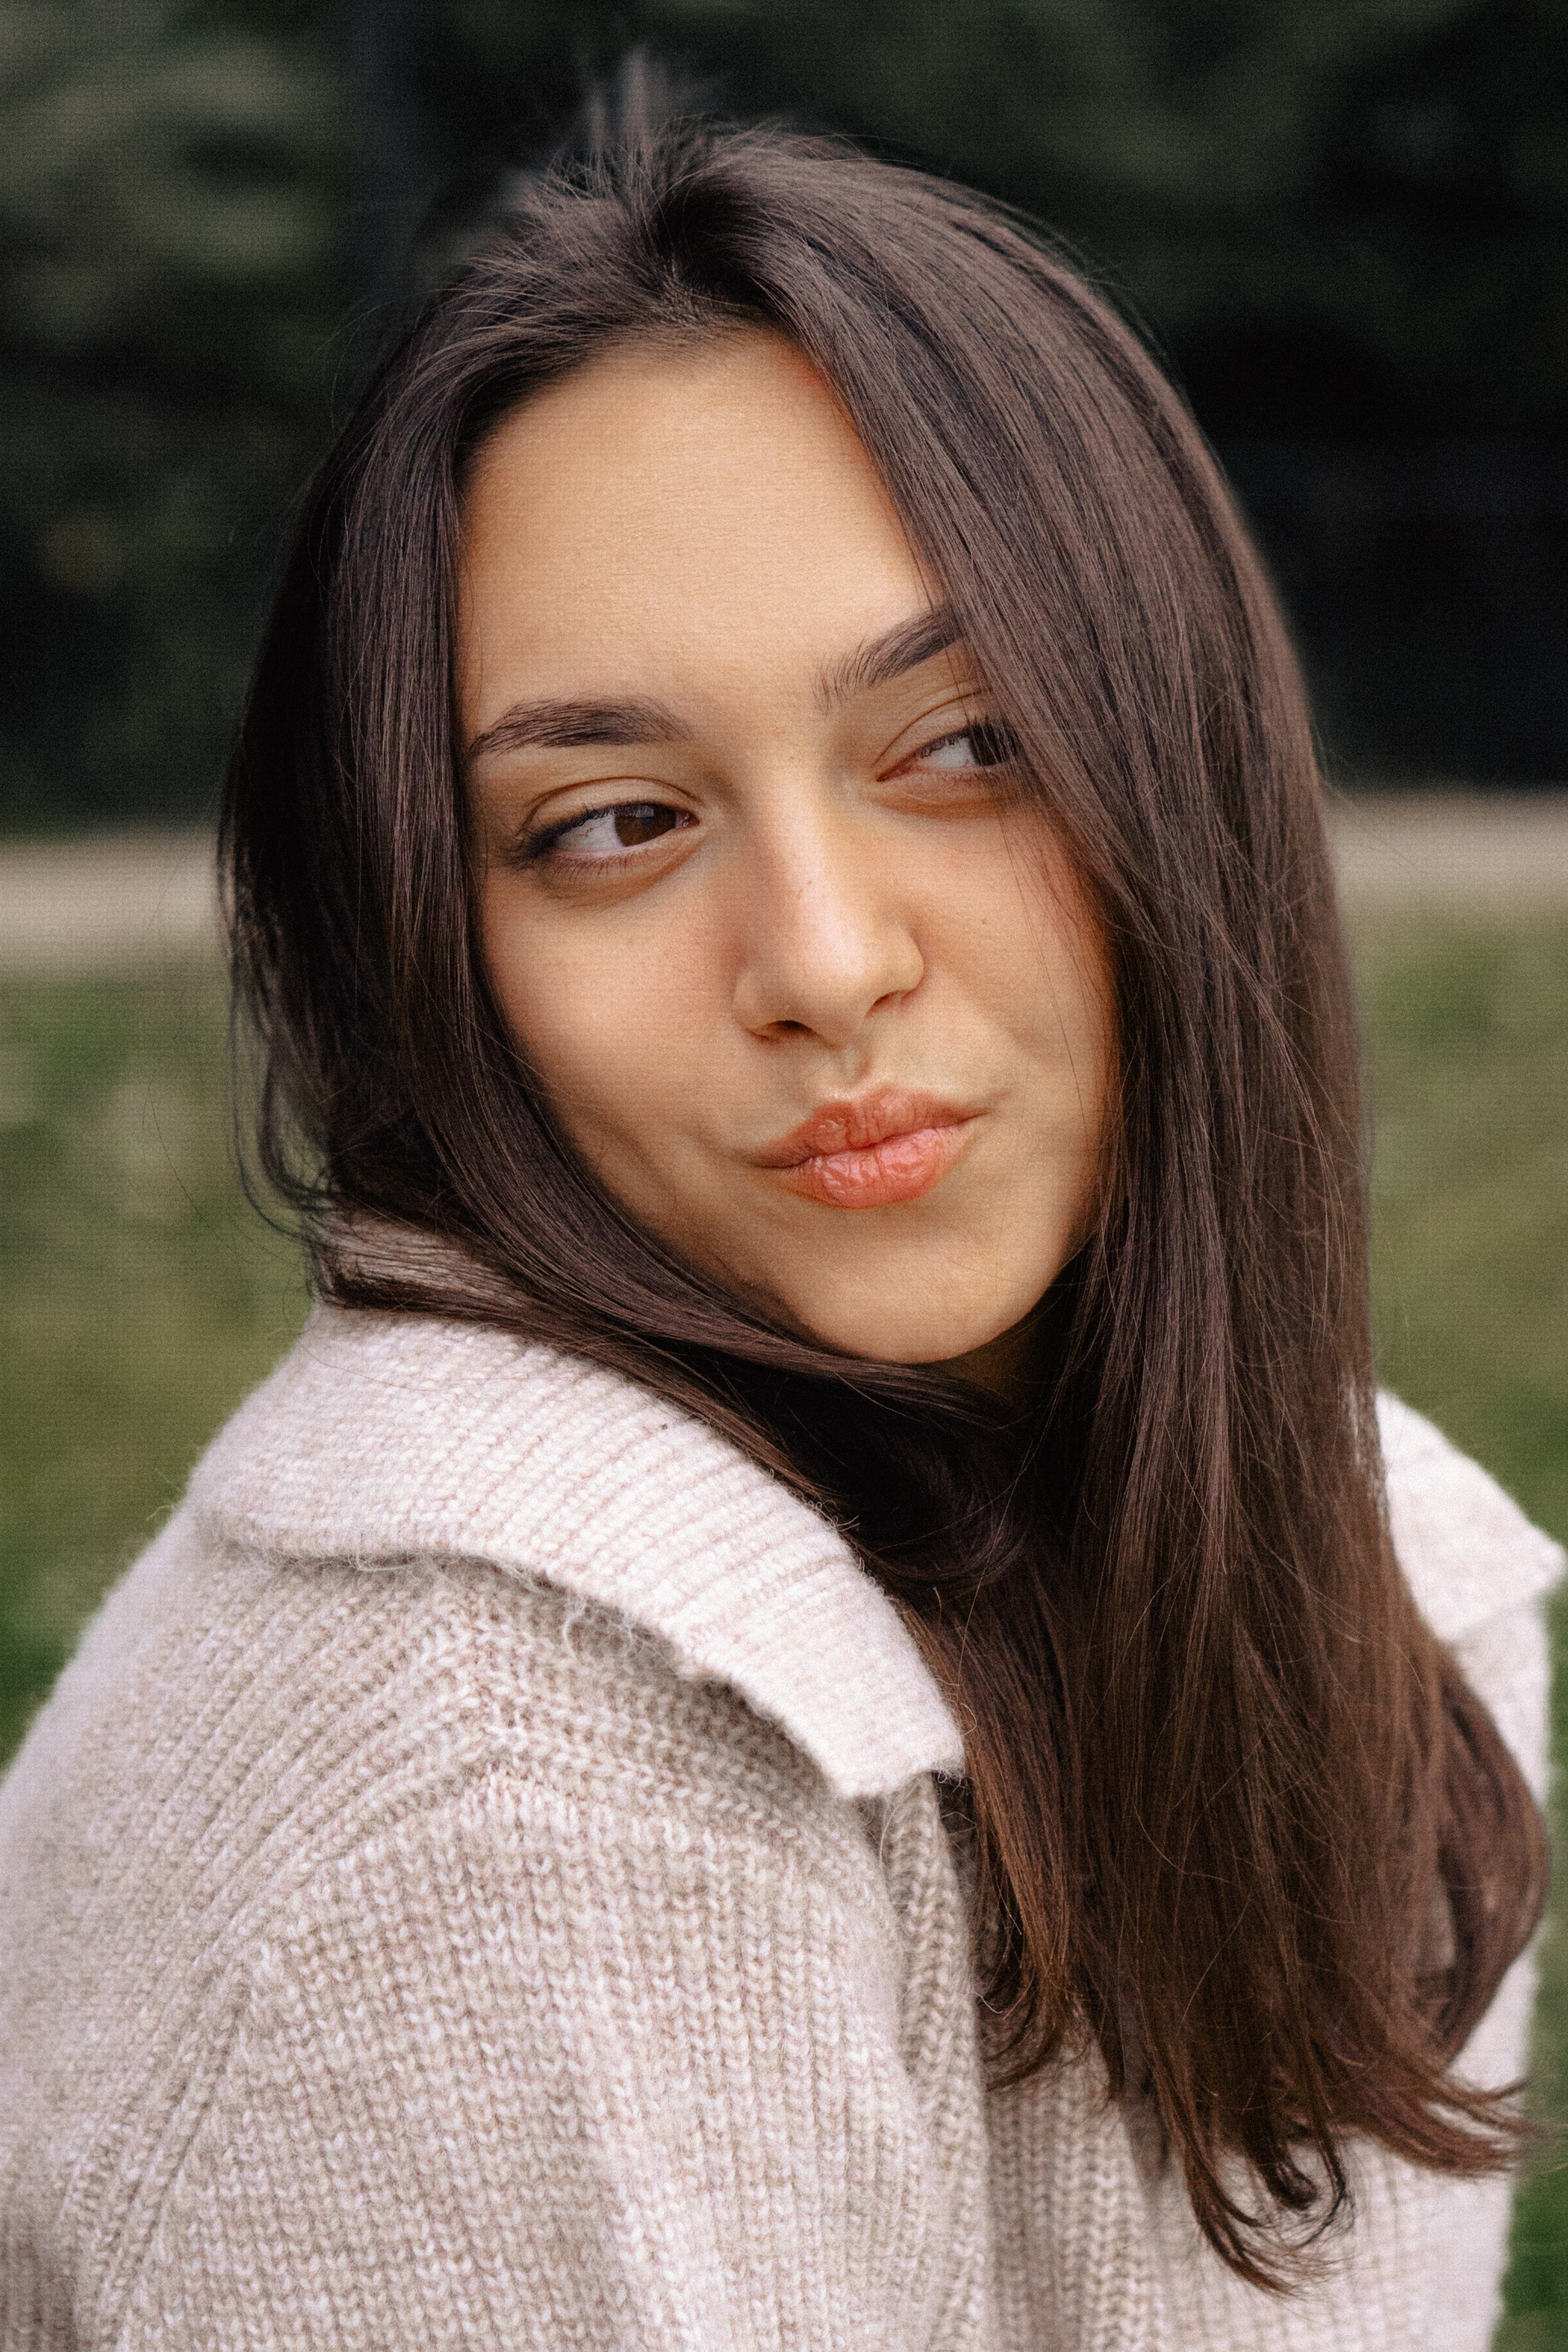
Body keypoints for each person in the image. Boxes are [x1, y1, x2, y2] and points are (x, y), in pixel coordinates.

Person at [0, 73, 1560, 2352]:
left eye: (969, 744)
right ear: (432, 945)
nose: (825, 962)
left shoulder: (1376, 1571)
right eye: (614, 824)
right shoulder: (506, 1778)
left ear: (1188, 763)